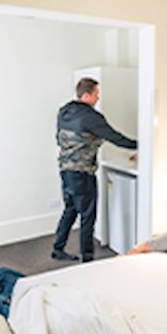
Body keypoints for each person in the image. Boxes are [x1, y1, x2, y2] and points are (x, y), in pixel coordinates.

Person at [52, 77, 138, 263]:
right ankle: (88, 259)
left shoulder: (64, 111)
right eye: (96, 94)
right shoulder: (91, 116)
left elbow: (59, 139)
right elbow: (114, 137)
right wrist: (139, 144)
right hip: (82, 173)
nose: (98, 98)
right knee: (87, 216)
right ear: (86, 95)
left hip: (65, 170)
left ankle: (58, 248)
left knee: (70, 209)